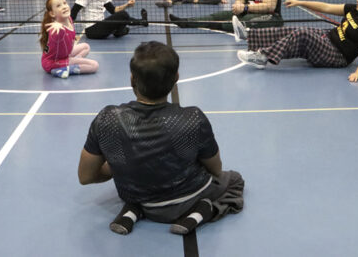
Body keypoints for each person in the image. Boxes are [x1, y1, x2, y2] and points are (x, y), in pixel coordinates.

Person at [78, 41, 244, 235]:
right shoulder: (193, 118)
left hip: (136, 195)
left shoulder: (107, 118)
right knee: (235, 180)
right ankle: (203, 211)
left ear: (132, 79)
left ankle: (134, 210)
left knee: (142, 187)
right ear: (177, 78)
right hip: (187, 198)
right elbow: (215, 168)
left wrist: (125, 162)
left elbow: (86, 176)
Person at [233, 0, 358, 82]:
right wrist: (300, 2)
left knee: (303, 34)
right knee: (290, 31)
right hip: (327, 39)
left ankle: (262, 57)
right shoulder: (354, 9)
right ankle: (248, 35)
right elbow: (326, 7)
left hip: (337, 56)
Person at [40, 0, 99, 79]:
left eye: (64, 3)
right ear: (52, 13)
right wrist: (57, 29)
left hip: (65, 54)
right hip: (53, 63)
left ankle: (72, 61)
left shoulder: (69, 19)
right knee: (94, 65)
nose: (64, 7)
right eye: (58, 6)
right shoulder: (56, 30)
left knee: (86, 47)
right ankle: (65, 69)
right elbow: (57, 35)